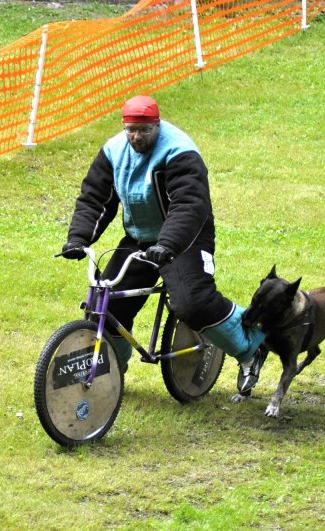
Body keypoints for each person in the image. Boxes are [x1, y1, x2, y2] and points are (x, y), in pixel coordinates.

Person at [60, 95, 265, 394]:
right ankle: (111, 368)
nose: (136, 136)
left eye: (144, 130)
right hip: (140, 236)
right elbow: (95, 198)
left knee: (192, 303)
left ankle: (251, 348)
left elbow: (189, 205)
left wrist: (168, 244)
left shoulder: (179, 151)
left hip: (186, 239)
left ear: (158, 125)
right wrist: (78, 239)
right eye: (131, 129)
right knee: (105, 304)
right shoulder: (114, 152)